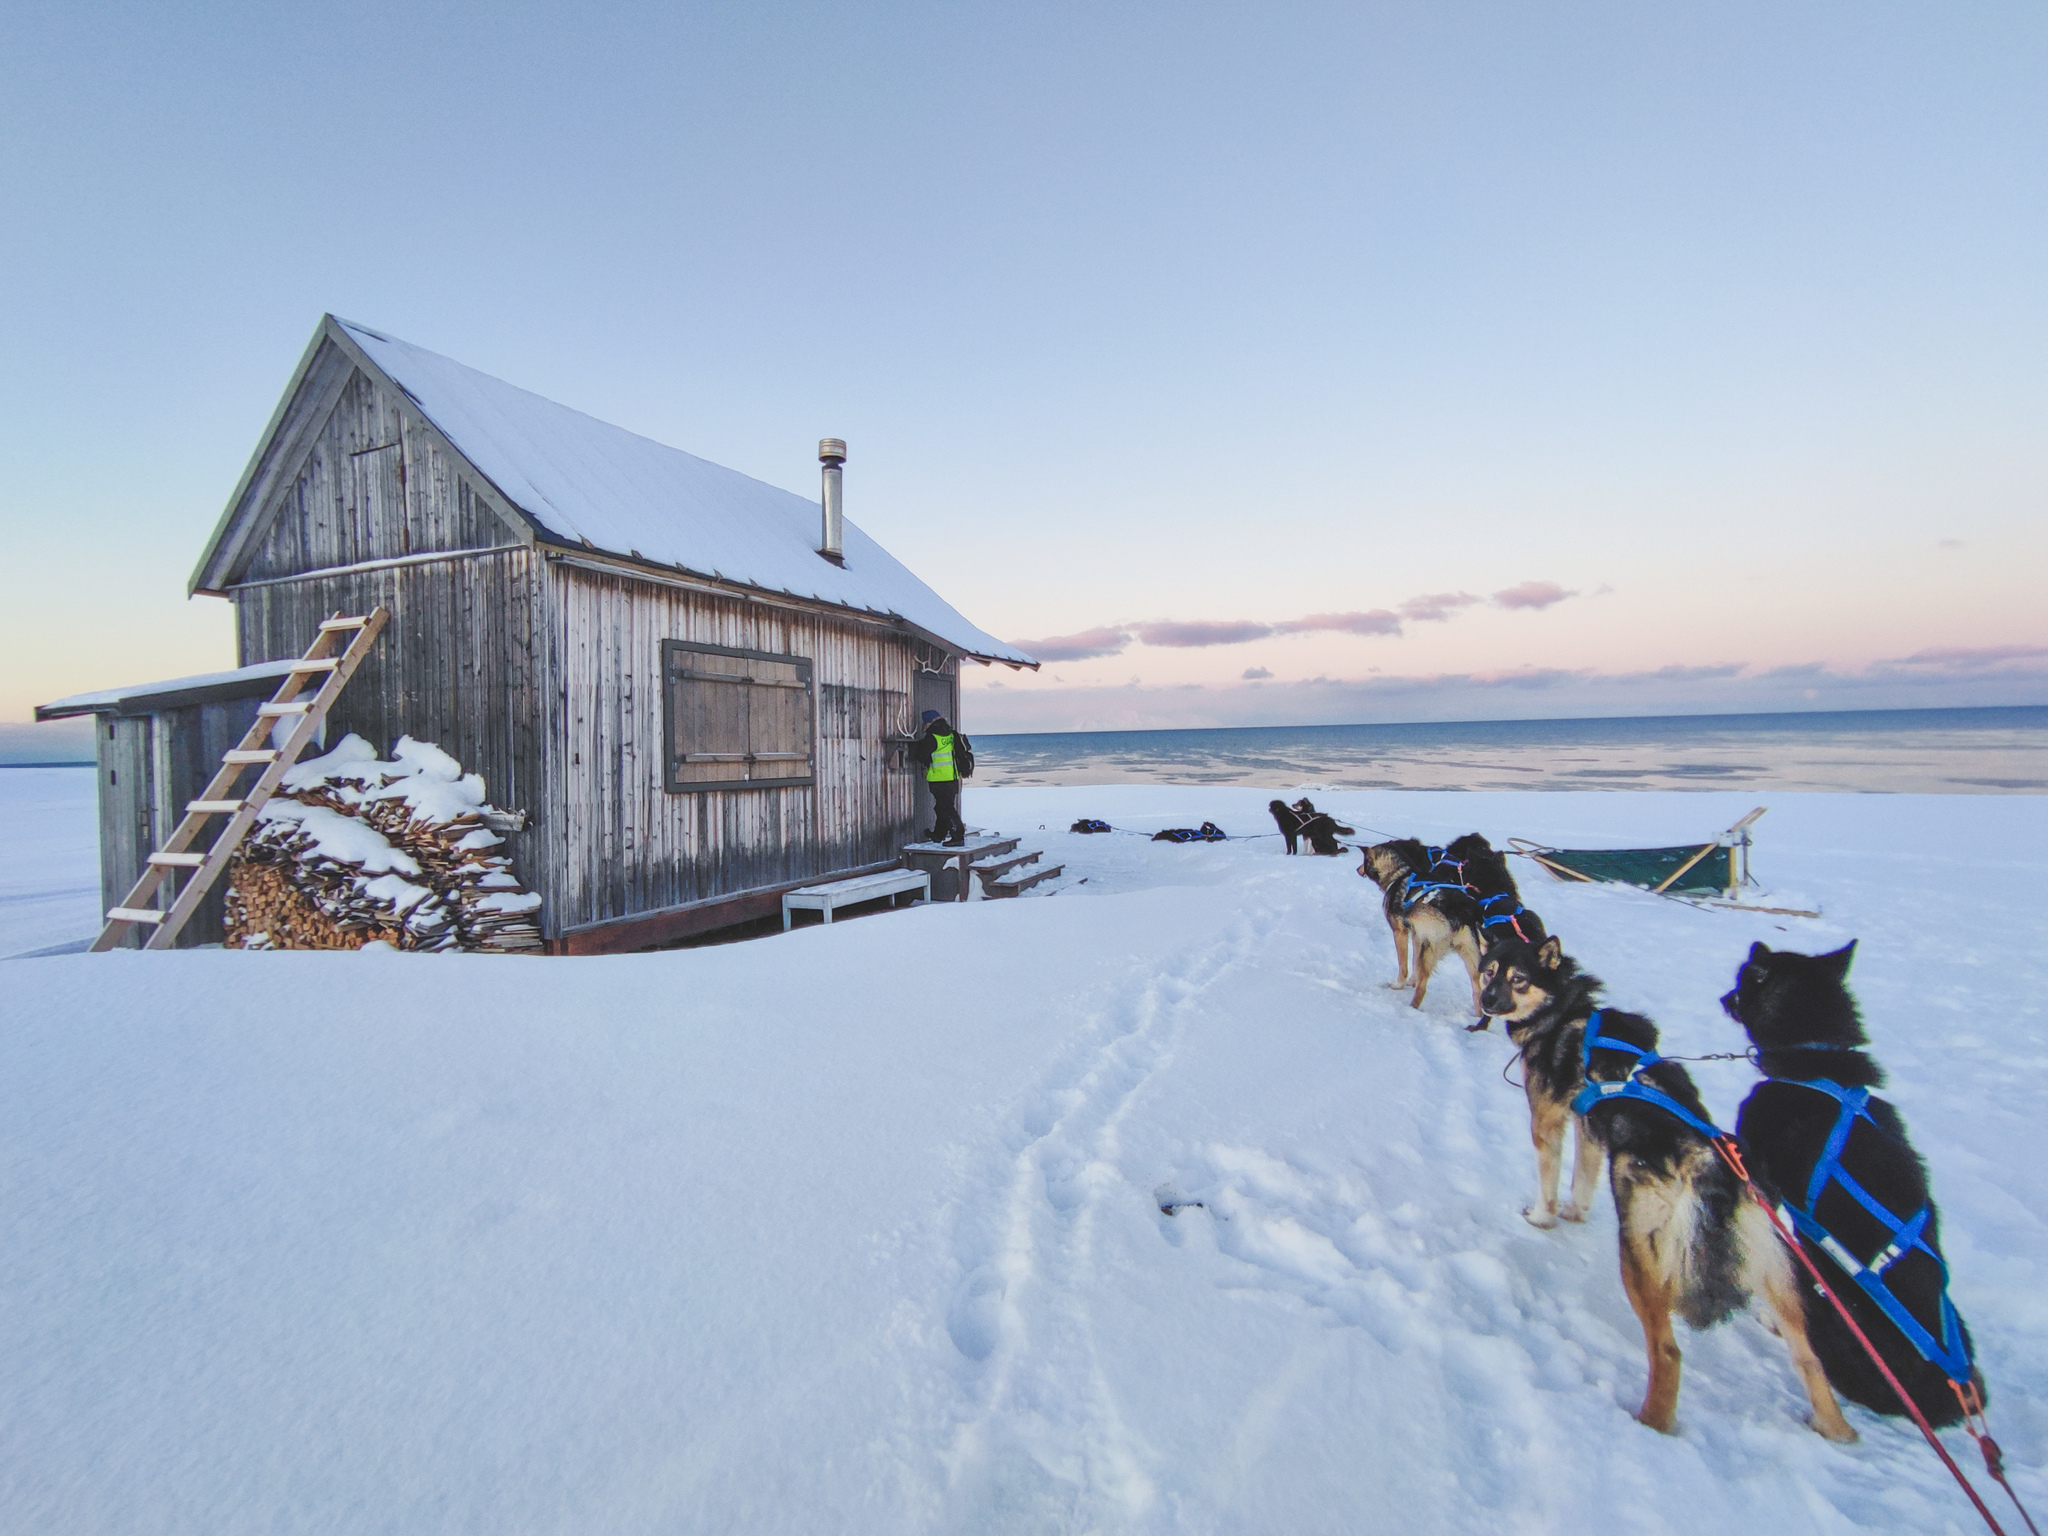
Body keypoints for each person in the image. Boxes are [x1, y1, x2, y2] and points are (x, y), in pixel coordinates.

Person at [909, 709, 971, 846]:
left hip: (939, 778)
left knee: (945, 808)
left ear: (928, 722)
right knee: (942, 806)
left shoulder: (932, 737)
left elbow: (921, 756)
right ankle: (938, 834)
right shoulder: (951, 734)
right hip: (953, 777)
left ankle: (958, 835)